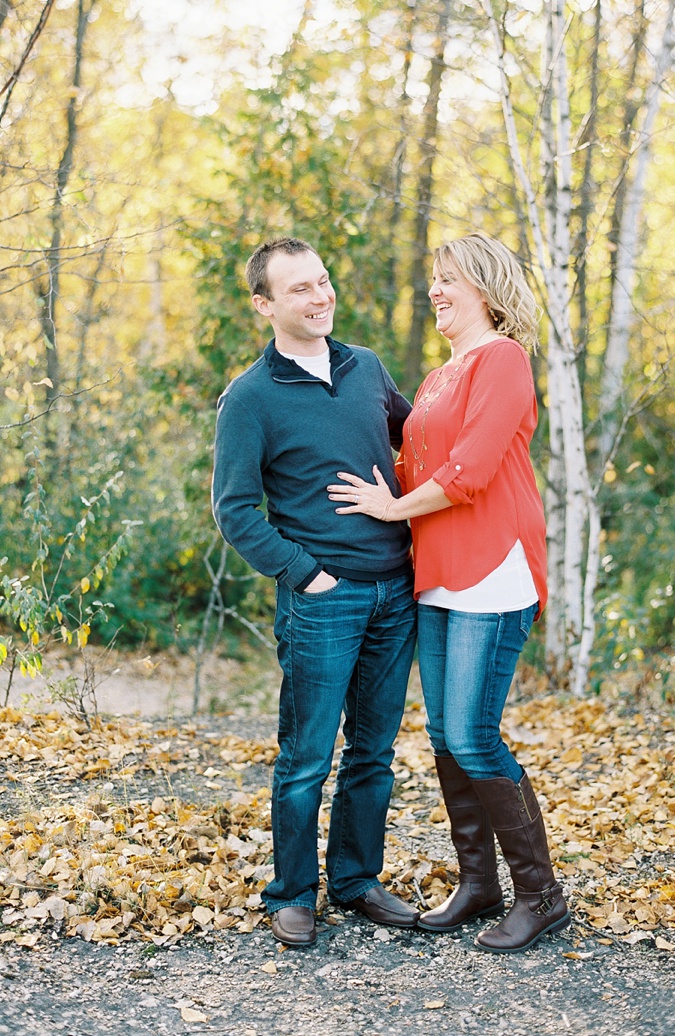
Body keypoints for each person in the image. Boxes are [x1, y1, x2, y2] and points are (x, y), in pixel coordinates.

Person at [328, 232, 570, 953]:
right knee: (442, 736)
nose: (434, 289)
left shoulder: (503, 362)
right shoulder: (438, 375)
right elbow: (409, 460)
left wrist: (389, 510)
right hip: (434, 572)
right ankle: (478, 884)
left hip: (492, 567)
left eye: (448, 279)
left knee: (471, 733)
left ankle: (540, 894)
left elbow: (467, 471)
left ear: (486, 290)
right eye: (432, 279)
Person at [212, 237, 419, 948]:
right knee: (305, 756)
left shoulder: (366, 368)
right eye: (299, 288)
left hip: (396, 591)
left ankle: (357, 882)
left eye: (323, 281)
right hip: (321, 602)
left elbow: (418, 436)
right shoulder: (249, 398)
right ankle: (293, 893)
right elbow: (235, 511)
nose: (320, 296)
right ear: (264, 304)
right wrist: (309, 574)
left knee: (373, 752)